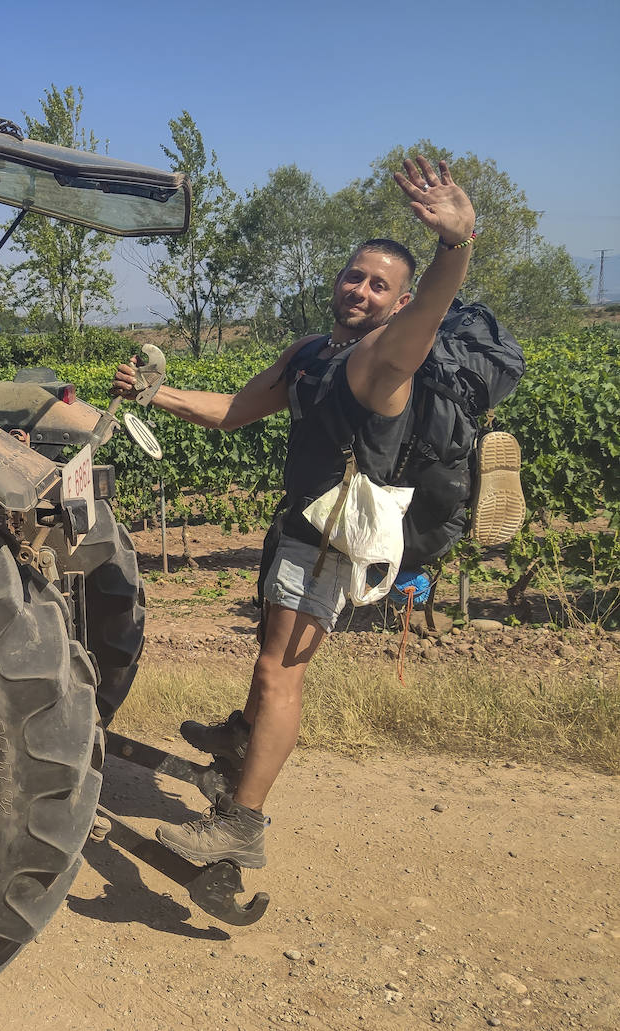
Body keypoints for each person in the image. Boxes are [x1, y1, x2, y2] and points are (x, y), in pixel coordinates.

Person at [111, 155, 476, 869]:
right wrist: (157, 395)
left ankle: (242, 824)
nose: (362, 290)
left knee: (283, 673)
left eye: (380, 285)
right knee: (269, 657)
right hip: (298, 529)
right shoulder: (311, 353)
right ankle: (240, 741)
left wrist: (455, 246)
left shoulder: (382, 359)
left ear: (399, 303)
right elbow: (232, 411)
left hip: (333, 543)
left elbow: (432, 309)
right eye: (354, 275)